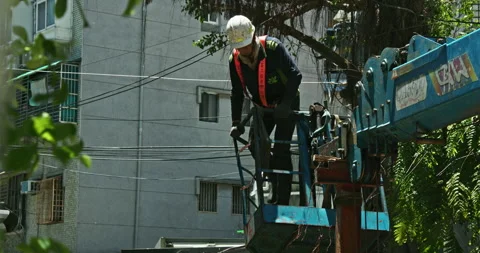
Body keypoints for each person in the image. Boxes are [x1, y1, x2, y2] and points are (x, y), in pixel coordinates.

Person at [226, 15, 302, 205]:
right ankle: (273, 183)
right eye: (240, 48)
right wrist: (236, 123)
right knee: (255, 145)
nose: (244, 52)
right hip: (262, 107)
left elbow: (295, 75)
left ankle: (283, 199)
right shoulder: (234, 61)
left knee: (282, 150)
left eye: (246, 47)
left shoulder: (273, 48)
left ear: (253, 38)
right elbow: (236, 92)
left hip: (286, 103)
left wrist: (285, 104)